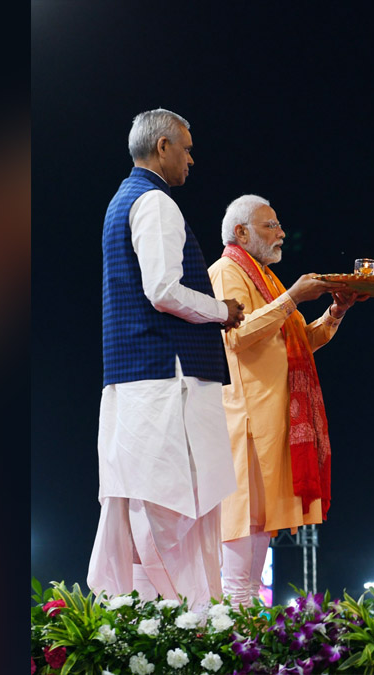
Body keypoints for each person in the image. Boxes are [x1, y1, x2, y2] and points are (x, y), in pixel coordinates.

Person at [89, 108, 246, 610]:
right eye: (186, 147)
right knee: (174, 509)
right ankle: (185, 621)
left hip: (138, 376)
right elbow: (162, 289)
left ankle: (143, 624)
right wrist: (223, 310)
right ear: (162, 148)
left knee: (145, 505)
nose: (191, 159)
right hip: (166, 377)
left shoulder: (122, 200)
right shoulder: (155, 202)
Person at [208, 194, 364, 607]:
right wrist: (293, 298)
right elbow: (236, 334)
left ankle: (244, 648)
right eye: (270, 226)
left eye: (279, 225)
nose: (280, 233)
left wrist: (335, 313)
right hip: (246, 424)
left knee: (254, 561)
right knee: (240, 571)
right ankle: (230, 653)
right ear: (240, 232)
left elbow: (299, 342)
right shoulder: (227, 271)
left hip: (273, 424)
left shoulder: (267, 280)